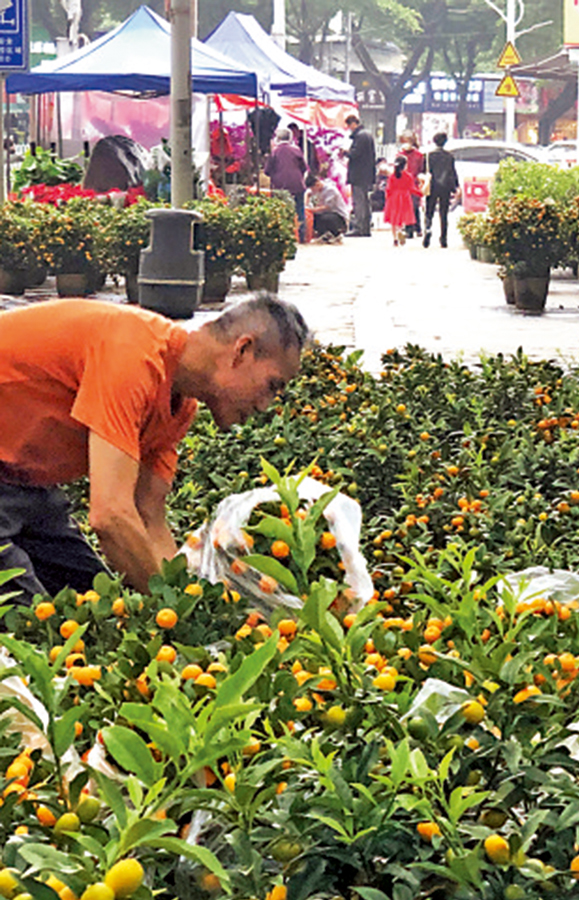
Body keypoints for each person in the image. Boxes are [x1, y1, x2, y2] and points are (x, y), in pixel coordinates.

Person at [0, 296, 308, 598]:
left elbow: (149, 517)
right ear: (242, 350)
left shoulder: (179, 406)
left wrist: (186, 604)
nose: (266, 404)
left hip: (25, 486)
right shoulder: (134, 356)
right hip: (11, 481)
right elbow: (110, 515)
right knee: (30, 628)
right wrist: (173, 620)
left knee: (95, 609)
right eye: (273, 385)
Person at [264, 127, 308, 238]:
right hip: (297, 184)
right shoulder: (297, 150)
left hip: (279, 186)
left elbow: (267, 171)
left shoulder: (275, 152)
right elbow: (304, 167)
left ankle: (283, 235)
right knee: (299, 209)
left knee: (280, 210)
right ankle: (301, 234)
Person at [424, 132, 458, 248]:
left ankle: (427, 231)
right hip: (445, 187)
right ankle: (443, 238)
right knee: (444, 213)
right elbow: (452, 172)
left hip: (432, 186)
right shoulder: (449, 156)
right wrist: (455, 186)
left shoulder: (430, 156)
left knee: (429, 211)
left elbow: (427, 171)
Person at [345, 114, 376, 237]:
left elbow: (355, 154)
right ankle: (366, 227)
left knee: (359, 202)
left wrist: (346, 152)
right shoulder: (367, 135)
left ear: (353, 124)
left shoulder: (360, 136)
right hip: (367, 174)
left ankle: (359, 227)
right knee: (365, 201)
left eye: (349, 126)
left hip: (359, 174)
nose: (349, 129)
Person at [305, 172, 349, 243]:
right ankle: (323, 234)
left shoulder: (330, 190)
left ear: (317, 184)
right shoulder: (316, 189)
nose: (313, 191)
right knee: (312, 217)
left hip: (338, 215)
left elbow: (327, 207)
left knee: (324, 218)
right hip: (325, 213)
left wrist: (312, 210)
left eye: (313, 188)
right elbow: (307, 193)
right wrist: (306, 205)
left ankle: (335, 233)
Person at [384, 156, 417, 246]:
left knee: (394, 218)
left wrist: (387, 197)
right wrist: (421, 193)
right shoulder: (408, 176)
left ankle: (395, 238)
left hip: (393, 198)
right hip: (405, 198)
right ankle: (400, 230)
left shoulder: (392, 176)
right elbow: (412, 189)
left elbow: (388, 189)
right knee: (401, 217)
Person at [398, 132, 425, 240]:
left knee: (414, 206)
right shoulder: (400, 155)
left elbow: (422, 169)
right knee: (408, 207)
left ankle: (415, 228)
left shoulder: (419, 155)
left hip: (414, 184)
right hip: (403, 184)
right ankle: (412, 228)